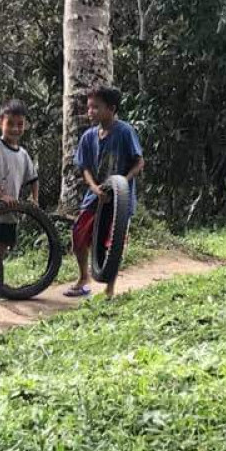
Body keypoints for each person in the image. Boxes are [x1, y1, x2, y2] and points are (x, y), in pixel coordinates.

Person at [64, 86, 145, 299]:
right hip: (96, 195)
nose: (90, 111)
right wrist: (94, 188)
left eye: (95, 107)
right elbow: (85, 168)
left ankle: (110, 287)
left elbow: (139, 162)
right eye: (89, 107)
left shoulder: (125, 131)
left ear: (111, 109)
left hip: (120, 198)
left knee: (113, 242)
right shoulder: (88, 137)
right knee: (79, 234)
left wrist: (121, 183)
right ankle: (84, 278)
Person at [0, 99, 39, 258]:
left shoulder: (23, 154)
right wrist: (1, 195)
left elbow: (34, 179)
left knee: (2, 248)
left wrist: (34, 198)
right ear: (0, 123)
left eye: (20, 124)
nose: (15, 129)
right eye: (10, 124)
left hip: (10, 211)